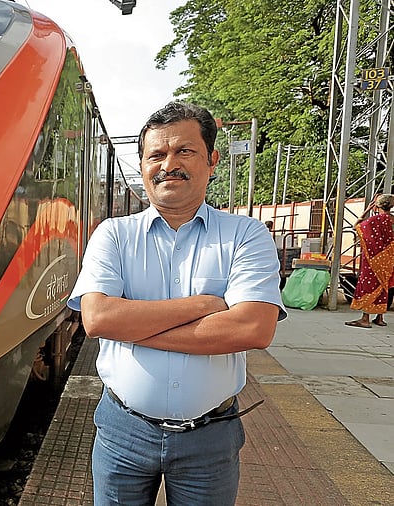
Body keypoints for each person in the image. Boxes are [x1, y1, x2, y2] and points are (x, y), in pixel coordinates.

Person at [67, 101, 286, 506]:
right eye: (157, 154)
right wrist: (205, 304)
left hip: (210, 437)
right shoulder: (113, 235)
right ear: (144, 165)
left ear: (211, 160)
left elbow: (253, 329)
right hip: (123, 431)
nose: (169, 164)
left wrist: (132, 327)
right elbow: (98, 319)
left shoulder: (246, 235)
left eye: (184, 151)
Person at [345, 193, 394, 328]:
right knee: (383, 286)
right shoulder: (392, 220)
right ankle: (379, 318)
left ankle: (365, 319)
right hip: (389, 260)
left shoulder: (375, 220)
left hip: (373, 260)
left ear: (377, 206)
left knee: (369, 285)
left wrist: (366, 211)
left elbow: (357, 226)